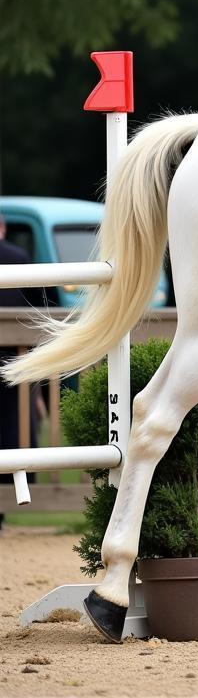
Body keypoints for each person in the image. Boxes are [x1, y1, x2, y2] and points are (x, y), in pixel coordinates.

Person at [0, 215, 45, 528]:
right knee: (13, 432)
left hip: (13, 362)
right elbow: (35, 312)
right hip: (13, 364)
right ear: (2, 228)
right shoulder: (18, 258)